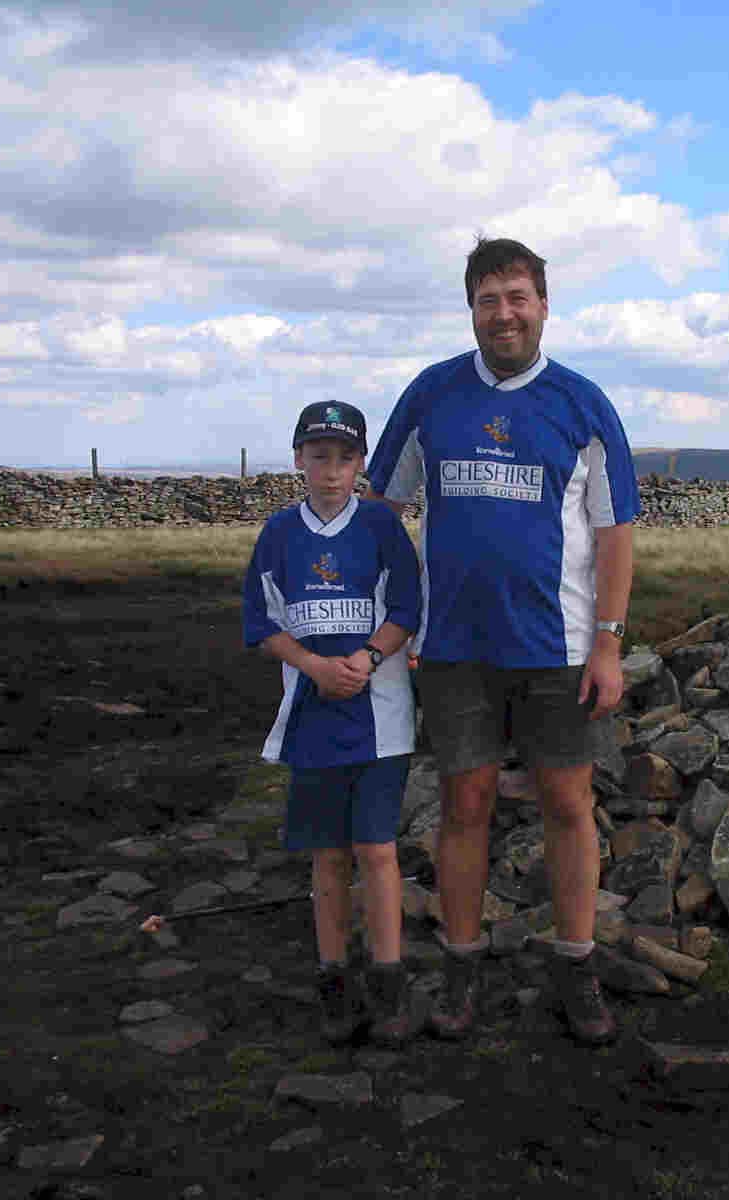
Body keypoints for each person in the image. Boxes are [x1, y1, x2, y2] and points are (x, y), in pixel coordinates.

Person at [365, 237, 640, 1045]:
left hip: (559, 651)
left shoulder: (583, 405)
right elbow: (381, 508)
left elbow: (616, 531)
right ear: (471, 309)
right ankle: (460, 970)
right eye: (489, 299)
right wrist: (396, 617)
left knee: (566, 803)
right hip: (454, 652)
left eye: (519, 297)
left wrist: (610, 644)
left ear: (545, 305)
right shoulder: (431, 395)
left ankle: (577, 966)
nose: (505, 313)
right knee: (465, 804)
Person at [242, 400, 423, 1046]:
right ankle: (333, 978)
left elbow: (407, 605)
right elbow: (262, 624)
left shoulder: (379, 527)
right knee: (328, 855)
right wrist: (313, 666)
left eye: (345, 459)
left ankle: (389, 978)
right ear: (299, 460)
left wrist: (369, 656)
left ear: (361, 465)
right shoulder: (279, 534)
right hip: (313, 716)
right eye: (319, 457)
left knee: (376, 849)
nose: (331, 471)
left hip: (381, 717)